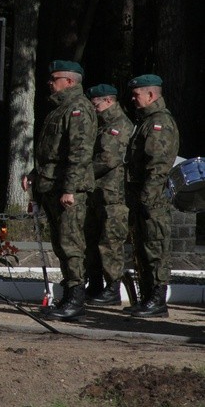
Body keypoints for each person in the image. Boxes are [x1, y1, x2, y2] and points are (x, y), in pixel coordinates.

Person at [22, 60, 97, 321]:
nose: (49, 83)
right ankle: (68, 297)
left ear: (69, 82)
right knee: (61, 244)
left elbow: (79, 153)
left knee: (71, 244)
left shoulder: (78, 109)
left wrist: (70, 189)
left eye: (54, 78)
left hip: (66, 190)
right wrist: (35, 174)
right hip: (51, 185)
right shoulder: (60, 109)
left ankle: (76, 299)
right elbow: (52, 151)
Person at [125, 74, 179, 318]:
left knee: (155, 247)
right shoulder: (146, 121)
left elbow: (158, 165)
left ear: (151, 95)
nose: (134, 99)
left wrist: (148, 197)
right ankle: (148, 298)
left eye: (137, 95)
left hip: (153, 199)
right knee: (143, 248)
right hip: (142, 196)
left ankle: (157, 300)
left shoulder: (159, 122)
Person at [83, 84, 134, 306]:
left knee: (110, 242)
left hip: (113, 197)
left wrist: (79, 175)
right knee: (92, 241)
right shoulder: (101, 126)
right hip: (97, 194)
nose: (93, 109)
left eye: (95, 105)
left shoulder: (119, 125)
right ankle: (94, 285)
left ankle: (113, 288)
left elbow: (108, 159)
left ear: (108, 101)